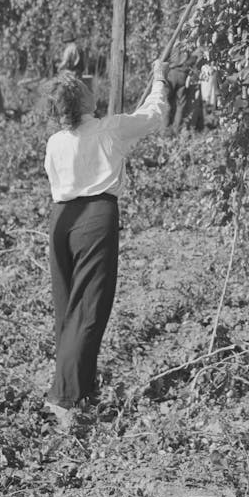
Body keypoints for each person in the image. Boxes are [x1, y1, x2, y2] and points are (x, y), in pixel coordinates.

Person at [42, 57, 168, 430]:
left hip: (61, 221)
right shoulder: (110, 129)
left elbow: (56, 179)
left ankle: (81, 388)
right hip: (95, 219)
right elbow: (154, 115)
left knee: (69, 308)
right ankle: (63, 399)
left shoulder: (56, 141)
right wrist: (158, 78)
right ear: (83, 102)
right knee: (90, 310)